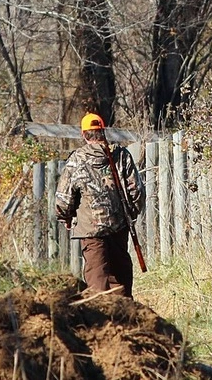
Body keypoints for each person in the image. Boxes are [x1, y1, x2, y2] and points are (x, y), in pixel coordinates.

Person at [55, 113, 145, 298]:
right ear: (102, 131)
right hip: (119, 227)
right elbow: (137, 191)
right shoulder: (121, 155)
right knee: (120, 279)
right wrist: (130, 214)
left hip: (91, 231)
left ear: (84, 134)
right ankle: (125, 318)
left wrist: (66, 216)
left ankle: (102, 321)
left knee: (97, 280)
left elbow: (63, 198)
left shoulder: (76, 160)